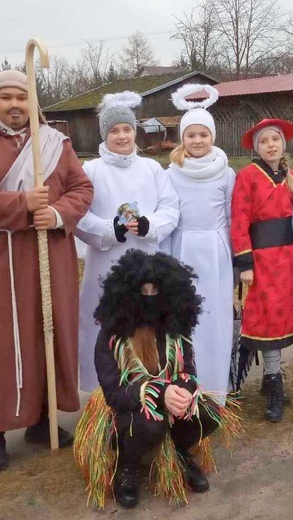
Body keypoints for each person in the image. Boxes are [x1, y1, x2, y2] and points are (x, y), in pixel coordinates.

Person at [0, 70, 94, 474]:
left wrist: (58, 213)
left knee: (47, 332)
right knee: (0, 343)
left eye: (22, 97)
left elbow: (82, 188)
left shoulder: (55, 143)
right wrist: (21, 203)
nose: (15, 105)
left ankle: (40, 420)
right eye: (7, 97)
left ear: (33, 103)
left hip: (50, 256)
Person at [73, 250, 240, 509]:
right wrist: (160, 394)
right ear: (127, 292)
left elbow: (189, 371)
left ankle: (180, 452)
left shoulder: (174, 327)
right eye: (144, 291)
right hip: (128, 408)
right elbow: (114, 393)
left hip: (169, 400)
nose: (150, 298)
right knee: (151, 423)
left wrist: (184, 393)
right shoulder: (112, 334)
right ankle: (127, 464)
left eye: (156, 291)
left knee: (210, 412)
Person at [75, 91, 179, 393]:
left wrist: (148, 225)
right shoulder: (90, 170)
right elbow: (80, 216)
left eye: (127, 129)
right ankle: (103, 394)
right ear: (104, 134)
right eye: (114, 130)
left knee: (145, 327)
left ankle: (148, 389)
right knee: (106, 326)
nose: (122, 136)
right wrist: (111, 230)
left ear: (135, 131)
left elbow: (170, 208)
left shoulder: (151, 169)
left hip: (145, 260)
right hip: (105, 263)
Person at [163, 84, 236, 398]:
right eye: (191, 135)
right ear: (182, 139)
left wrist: (235, 257)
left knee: (214, 316)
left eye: (203, 135)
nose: (197, 141)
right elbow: (166, 216)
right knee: (186, 317)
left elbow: (233, 216)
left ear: (213, 137)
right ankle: (185, 384)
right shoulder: (171, 173)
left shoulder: (226, 173)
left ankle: (217, 386)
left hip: (216, 251)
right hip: (183, 250)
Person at [230, 119, 293, 423]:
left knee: (283, 321)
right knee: (267, 322)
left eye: (276, 139)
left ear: (283, 144)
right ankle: (274, 382)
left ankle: (273, 374)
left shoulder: (292, 177)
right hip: (261, 261)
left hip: (288, 260)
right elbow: (239, 220)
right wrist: (244, 263)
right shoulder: (247, 177)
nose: (271, 145)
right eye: (264, 141)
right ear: (256, 147)